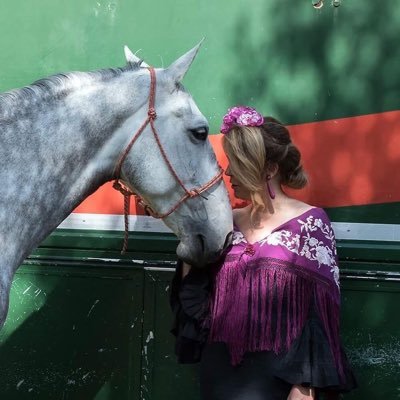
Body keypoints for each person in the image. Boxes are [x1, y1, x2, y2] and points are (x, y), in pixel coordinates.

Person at [170, 106, 357, 400]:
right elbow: (196, 303)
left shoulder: (311, 224)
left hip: (278, 384)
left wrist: (302, 391)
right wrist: (191, 243)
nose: (228, 171)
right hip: (220, 379)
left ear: (269, 170)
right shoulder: (225, 223)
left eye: (236, 163)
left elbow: (319, 320)